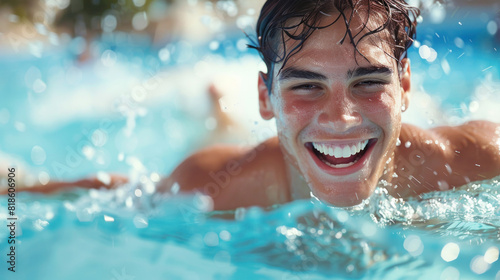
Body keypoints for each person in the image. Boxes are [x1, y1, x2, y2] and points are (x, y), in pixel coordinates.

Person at [11, 0, 500, 211]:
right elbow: (120, 195)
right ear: (265, 97)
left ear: (407, 86)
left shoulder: (480, 163)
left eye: (367, 83)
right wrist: (16, 191)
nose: (340, 118)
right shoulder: (219, 186)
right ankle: (217, 112)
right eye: (306, 87)